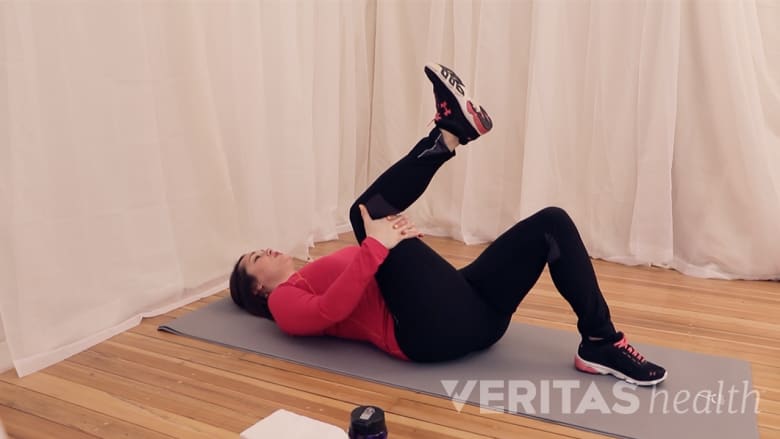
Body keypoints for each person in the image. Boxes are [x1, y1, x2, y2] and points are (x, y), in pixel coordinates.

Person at [230, 63, 667, 386]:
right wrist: (379, 247)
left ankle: (600, 341)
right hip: (428, 336)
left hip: (475, 315)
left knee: (551, 223)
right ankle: (448, 134)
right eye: (255, 258)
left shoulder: (310, 272)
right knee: (364, 212)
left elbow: (378, 278)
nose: (265, 250)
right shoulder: (283, 303)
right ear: (257, 288)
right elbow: (330, 310)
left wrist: (402, 254)